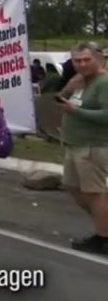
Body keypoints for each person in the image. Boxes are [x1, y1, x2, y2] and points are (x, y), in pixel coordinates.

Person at [54, 41, 108, 255]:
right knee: (73, 188)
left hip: (92, 147)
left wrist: (75, 111)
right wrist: (68, 89)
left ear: (98, 59)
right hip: (74, 145)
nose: (82, 64)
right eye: (77, 61)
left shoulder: (103, 83)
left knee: (95, 193)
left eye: (87, 60)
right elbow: (62, 99)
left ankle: (103, 237)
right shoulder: (81, 81)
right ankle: (103, 226)